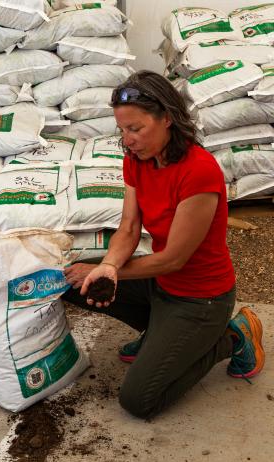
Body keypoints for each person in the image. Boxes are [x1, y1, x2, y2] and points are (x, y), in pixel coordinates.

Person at [63, 70, 265, 419]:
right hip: (162, 285)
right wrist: (107, 269)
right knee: (72, 280)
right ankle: (160, 334)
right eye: (122, 130)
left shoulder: (199, 171)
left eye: (136, 129)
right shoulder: (137, 160)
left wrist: (112, 272)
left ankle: (232, 337)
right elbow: (128, 228)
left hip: (200, 298)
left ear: (168, 118)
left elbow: (173, 259)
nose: (127, 140)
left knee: (139, 400)